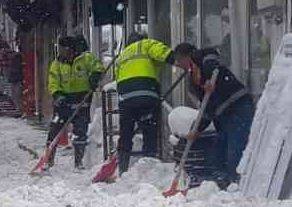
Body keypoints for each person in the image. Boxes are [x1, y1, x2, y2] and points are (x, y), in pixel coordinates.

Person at [171, 42, 256, 189]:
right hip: (222, 115)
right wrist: (196, 129)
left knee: (235, 150)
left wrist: (210, 77)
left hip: (238, 106)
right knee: (219, 151)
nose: (179, 64)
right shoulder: (193, 79)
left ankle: (236, 184)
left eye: (180, 59)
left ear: (188, 55)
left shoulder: (203, 59)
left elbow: (211, 55)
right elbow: (206, 107)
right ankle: (222, 182)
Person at [112, 32, 174, 174]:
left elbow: (118, 77)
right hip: (146, 93)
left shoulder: (122, 56)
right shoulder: (145, 45)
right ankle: (148, 168)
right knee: (149, 131)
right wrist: (176, 60)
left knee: (126, 133)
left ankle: (123, 169)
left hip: (126, 98)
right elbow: (161, 52)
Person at [46, 35, 105, 168]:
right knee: (54, 130)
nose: (60, 52)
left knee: (80, 131)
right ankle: (48, 160)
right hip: (63, 102)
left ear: (70, 49)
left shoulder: (85, 59)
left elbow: (98, 67)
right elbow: (53, 82)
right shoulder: (57, 64)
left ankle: (78, 161)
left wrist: (94, 77)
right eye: (59, 49)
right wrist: (57, 95)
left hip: (81, 101)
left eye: (62, 49)